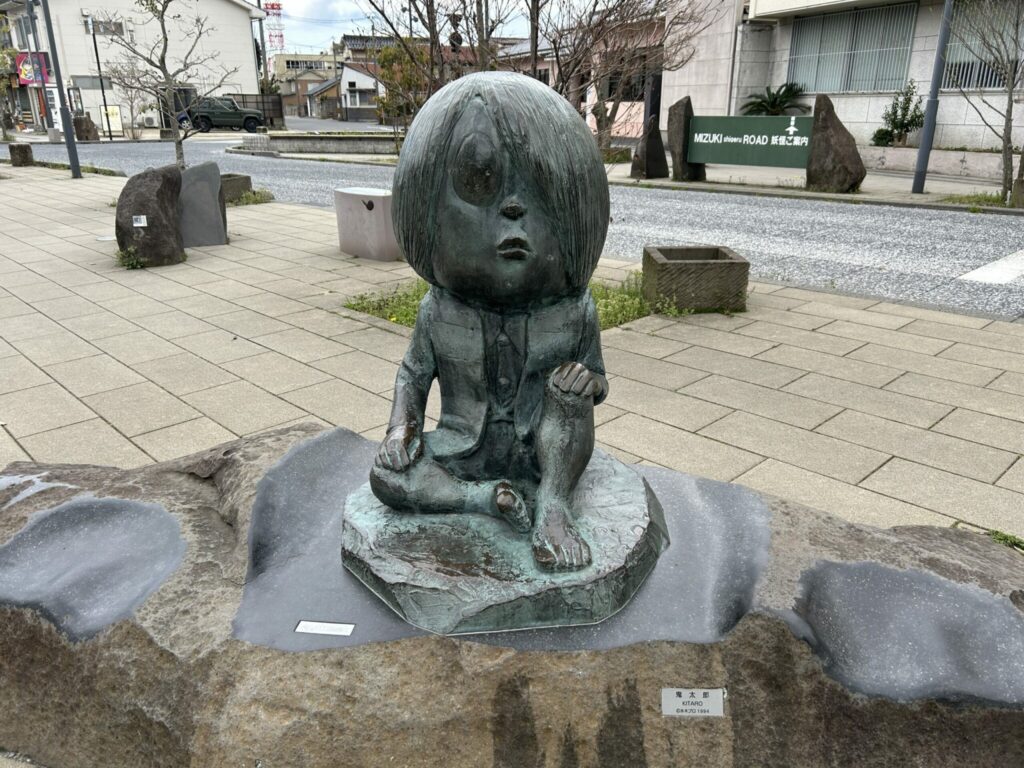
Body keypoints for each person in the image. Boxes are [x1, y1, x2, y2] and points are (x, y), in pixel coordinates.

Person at [369, 72, 611, 571]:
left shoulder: (573, 311)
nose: (514, 208)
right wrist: (401, 430)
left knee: (568, 398)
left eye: (538, 195)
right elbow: (413, 376)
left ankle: (553, 506)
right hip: (463, 450)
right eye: (481, 184)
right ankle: (483, 499)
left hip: (544, 451)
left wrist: (586, 384)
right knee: (386, 477)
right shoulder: (439, 311)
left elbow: (598, 381)